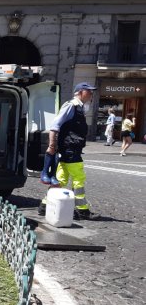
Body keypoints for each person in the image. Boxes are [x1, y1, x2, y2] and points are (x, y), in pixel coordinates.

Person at [38, 82, 99, 220]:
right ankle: (82, 210)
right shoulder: (71, 105)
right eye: (88, 91)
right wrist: (52, 145)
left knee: (61, 179)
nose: (91, 94)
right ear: (80, 92)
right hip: (70, 149)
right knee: (79, 178)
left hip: (70, 148)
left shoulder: (79, 107)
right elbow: (55, 126)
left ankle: (45, 206)